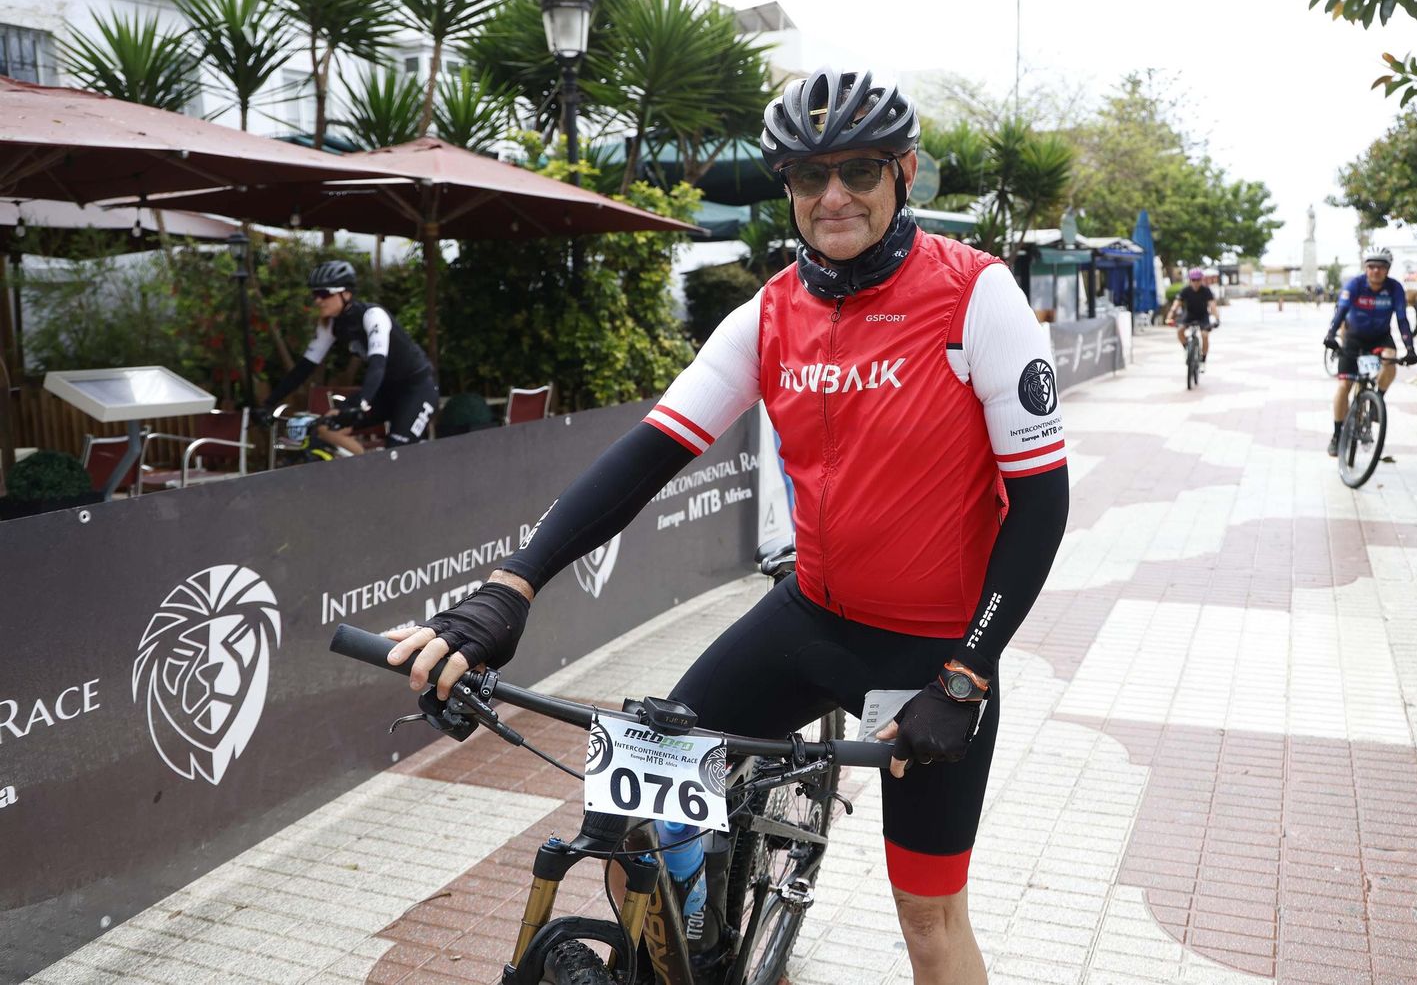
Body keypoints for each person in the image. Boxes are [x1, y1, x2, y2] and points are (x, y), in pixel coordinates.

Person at [384, 67, 1069, 985]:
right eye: (806, 176)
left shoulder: (977, 297)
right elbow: (651, 451)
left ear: (904, 173)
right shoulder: (773, 310)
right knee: (635, 796)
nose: (833, 197)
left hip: (931, 650)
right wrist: (512, 587)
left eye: (859, 172)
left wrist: (968, 674)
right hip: (810, 618)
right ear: (786, 187)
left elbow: (1041, 502)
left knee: (929, 921)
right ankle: (706, 941)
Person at [256, 260, 438, 453]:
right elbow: (303, 369)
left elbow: (378, 365)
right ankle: (368, 472)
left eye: (324, 294)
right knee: (325, 428)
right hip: (384, 391)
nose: (318, 300)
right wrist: (268, 404)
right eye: (315, 294)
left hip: (416, 389)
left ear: (346, 294)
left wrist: (362, 403)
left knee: (397, 451)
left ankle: (388, 473)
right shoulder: (330, 324)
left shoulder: (373, 316)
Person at [1323, 246, 1417, 455]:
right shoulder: (1355, 285)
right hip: (1354, 337)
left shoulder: (1394, 288)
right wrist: (1330, 335)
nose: (1376, 271)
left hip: (1380, 336)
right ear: (1365, 268)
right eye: (1371, 266)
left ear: (1388, 269)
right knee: (1344, 385)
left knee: (1391, 359)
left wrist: (1409, 348)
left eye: (1381, 267)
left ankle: (1377, 399)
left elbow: (1402, 319)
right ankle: (1337, 434)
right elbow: (1342, 311)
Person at [1166, 268, 1219, 363]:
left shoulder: (1206, 291)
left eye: (1198, 280)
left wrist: (1217, 319)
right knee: (1180, 330)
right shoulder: (1185, 290)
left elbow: (1213, 306)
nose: (1195, 282)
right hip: (1189, 315)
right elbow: (1176, 304)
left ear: (1201, 280)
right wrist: (1169, 317)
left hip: (1203, 316)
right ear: (1190, 280)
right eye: (1193, 280)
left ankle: (1203, 358)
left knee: (1204, 335)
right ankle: (1187, 347)